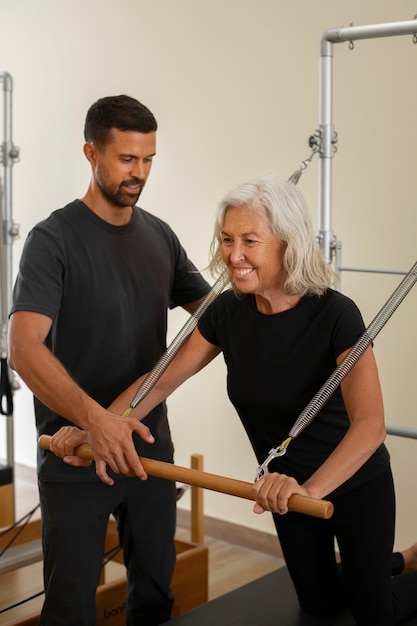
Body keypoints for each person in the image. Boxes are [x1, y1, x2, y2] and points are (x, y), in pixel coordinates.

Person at [53, 175, 417, 625]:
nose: (234, 255)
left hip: (351, 484)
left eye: (250, 241)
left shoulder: (336, 314)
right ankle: (390, 564)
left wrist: (309, 490)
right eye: (227, 239)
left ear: (288, 242)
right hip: (283, 489)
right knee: (320, 604)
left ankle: (399, 570)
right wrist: (97, 428)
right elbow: (160, 382)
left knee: (375, 613)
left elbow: (370, 426)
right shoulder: (227, 312)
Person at [7, 94, 211, 626]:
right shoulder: (52, 241)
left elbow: (217, 319)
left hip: (147, 449)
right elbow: (22, 348)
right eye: (126, 159)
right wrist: (95, 420)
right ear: (91, 153)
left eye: (148, 160)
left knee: (155, 595)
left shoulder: (160, 236)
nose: (139, 174)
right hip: (74, 453)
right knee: (71, 606)